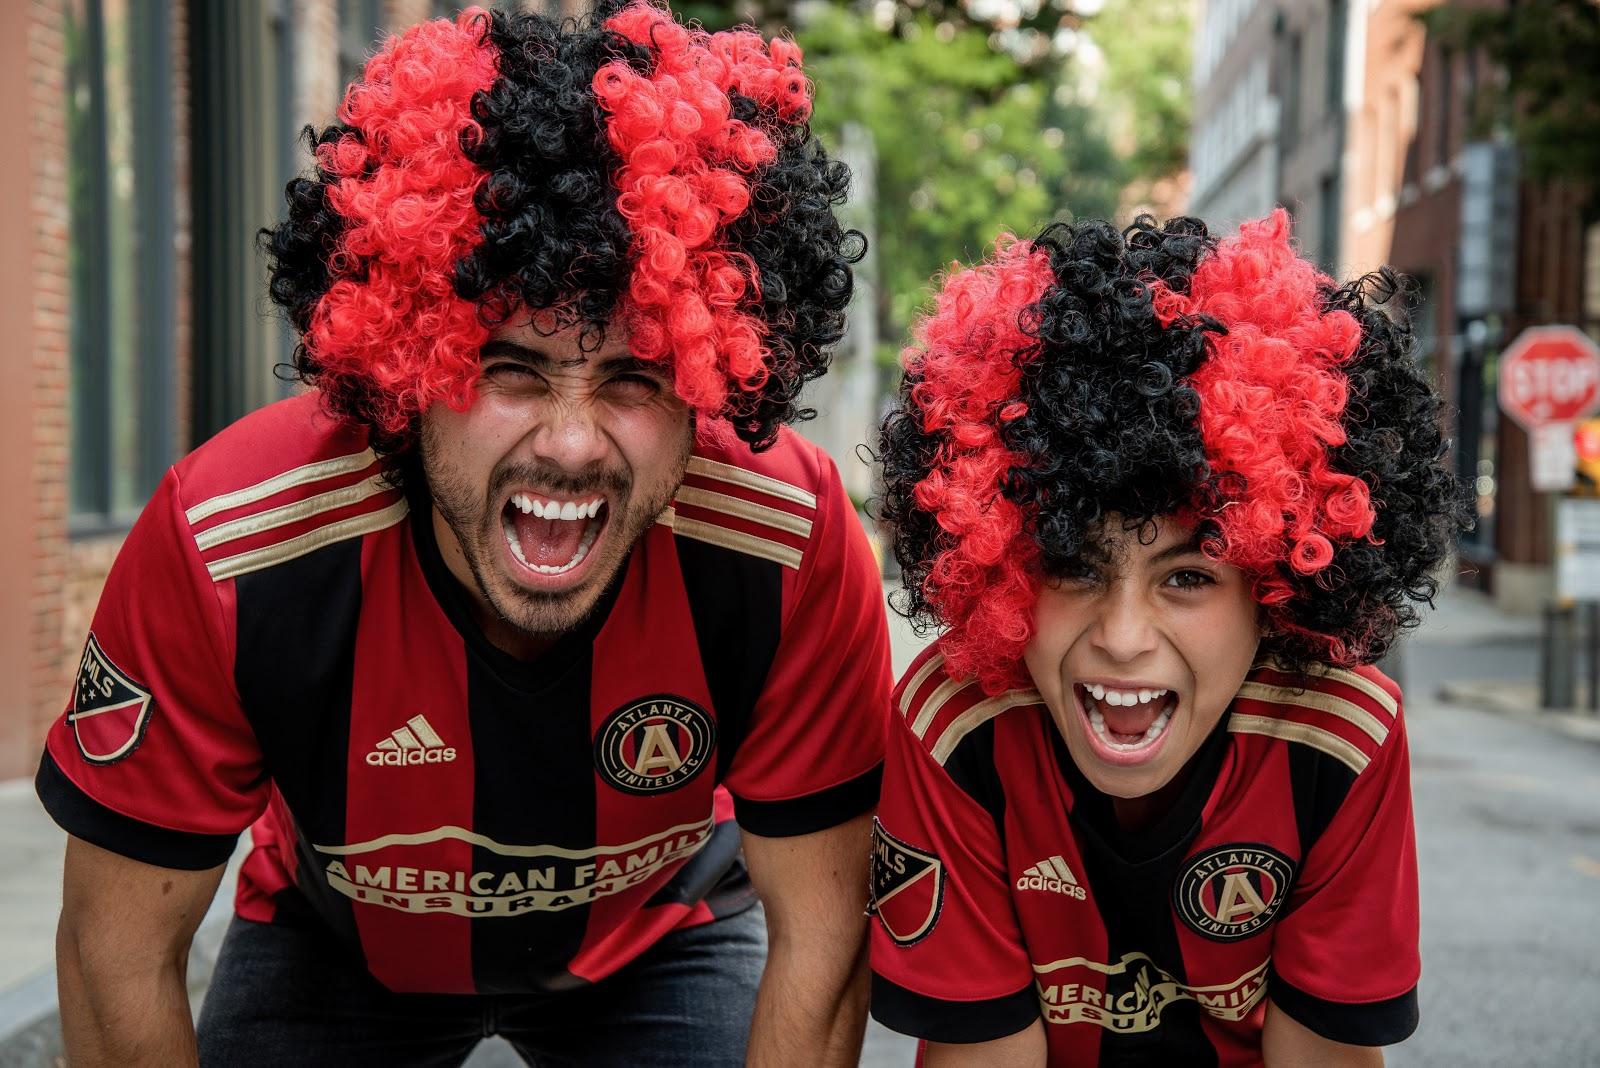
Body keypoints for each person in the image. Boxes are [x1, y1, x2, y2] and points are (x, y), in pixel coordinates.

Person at [37, 5, 889, 1066]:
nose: (572, 445)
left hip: (660, 942)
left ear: (709, 379)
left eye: (633, 376)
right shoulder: (231, 545)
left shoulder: (786, 545)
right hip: (332, 945)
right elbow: (112, 956)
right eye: (510, 370)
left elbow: (825, 946)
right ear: (413, 368)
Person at [868, 211, 1464, 1066]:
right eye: (1072, 566)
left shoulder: (1339, 739)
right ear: (996, 566)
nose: (1122, 637)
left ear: (1272, 588)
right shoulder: (955, 725)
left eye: (1188, 578)